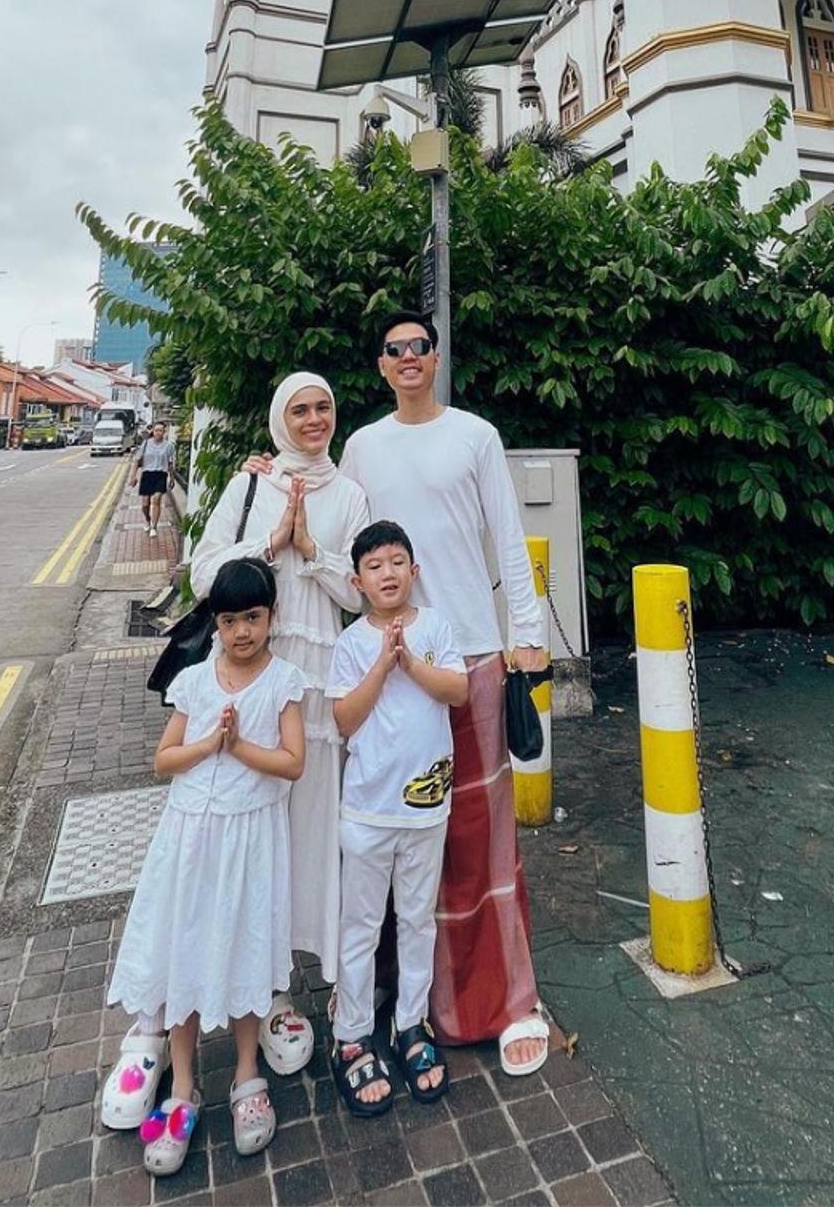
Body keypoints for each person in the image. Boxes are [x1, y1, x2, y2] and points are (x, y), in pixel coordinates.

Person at [339, 312, 553, 1077]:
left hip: (470, 652)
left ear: (435, 357)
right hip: (393, 660)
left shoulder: (475, 434)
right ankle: (396, 1003)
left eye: (419, 348)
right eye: (394, 349)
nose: (408, 359)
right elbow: (343, 550)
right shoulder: (361, 446)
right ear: (381, 363)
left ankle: (499, 999)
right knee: (397, 828)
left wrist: (528, 639)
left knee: (479, 832)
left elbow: (507, 536)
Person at [101, 557, 305, 1171]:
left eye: (253, 617)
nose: (242, 631)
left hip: (250, 841)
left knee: (243, 953)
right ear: (214, 623)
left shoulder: (285, 681)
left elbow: (294, 762)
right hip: (189, 842)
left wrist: (240, 747)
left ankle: (247, 1077)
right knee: (183, 958)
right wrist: (208, 745)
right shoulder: (194, 679)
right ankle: (183, 1087)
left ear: (271, 617)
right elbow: (164, 760)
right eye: (229, 620)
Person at [191, 372, 368, 1072]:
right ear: (278, 418)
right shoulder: (250, 484)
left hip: (319, 679)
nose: (313, 418)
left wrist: (310, 549)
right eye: (299, 408)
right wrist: (270, 541)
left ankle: (303, 973)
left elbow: (358, 593)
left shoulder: (350, 494)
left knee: (311, 826)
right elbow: (204, 573)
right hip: (249, 675)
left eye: (323, 406)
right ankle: (258, 988)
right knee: (246, 822)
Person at [326, 520, 468, 1116]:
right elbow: (344, 720)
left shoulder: (435, 627)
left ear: (415, 571)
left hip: (426, 810)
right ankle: (352, 1034)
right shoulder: (352, 643)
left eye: (397, 562)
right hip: (366, 808)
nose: (387, 573)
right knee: (360, 926)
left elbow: (458, 691)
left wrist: (410, 662)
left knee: (417, 920)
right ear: (357, 581)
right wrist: (383, 665)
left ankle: (412, 1024)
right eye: (375, 566)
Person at [132, 422, 175, 537]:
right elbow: (137, 460)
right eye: (156, 430)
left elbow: (170, 463)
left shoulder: (169, 446)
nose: (158, 433)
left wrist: (172, 478)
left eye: (160, 430)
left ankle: (153, 527)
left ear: (164, 432)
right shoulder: (146, 444)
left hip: (161, 475)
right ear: (153, 431)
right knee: (145, 504)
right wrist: (133, 477)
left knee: (156, 499)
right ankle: (147, 518)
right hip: (147, 474)